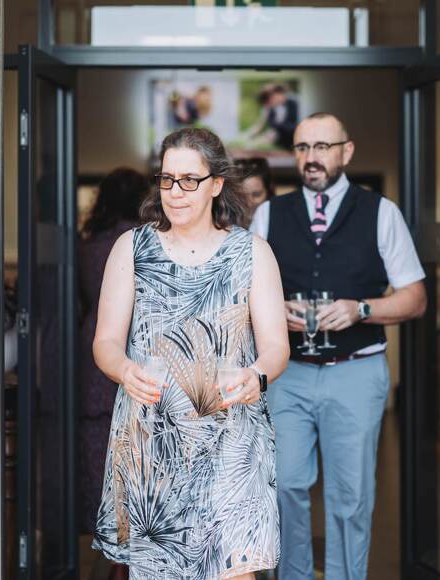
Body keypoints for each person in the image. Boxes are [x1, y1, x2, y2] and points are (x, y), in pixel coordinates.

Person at [92, 127, 290, 580]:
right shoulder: (132, 249)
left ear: (216, 184)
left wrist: (257, 375)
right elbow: (105, 343)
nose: (175, 192)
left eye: (188, 180)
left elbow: (277, 347)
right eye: (167, 179)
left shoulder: (252, 252)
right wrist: (124, 369)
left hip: (231, 440)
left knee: (234, 571)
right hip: (153, 442)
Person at [249, 112, 427, 580]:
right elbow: (242, 293)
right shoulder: (268, 215)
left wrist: (361, 309)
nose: (312, 157)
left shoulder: (381, 212)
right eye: (303, 147)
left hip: (356, 371)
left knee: (351, 496)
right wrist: (273, 309)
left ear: (346, 152)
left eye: (322, 147)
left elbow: (415, 298)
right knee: (285, 485)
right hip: (288, 373)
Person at [77, 168, 148, 542]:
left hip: (96, 336)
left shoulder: (89, 245)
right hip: (138, 339)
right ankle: (132, 538)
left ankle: (109, 539)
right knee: (138, 452)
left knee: (96, 447)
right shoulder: (142, 243)